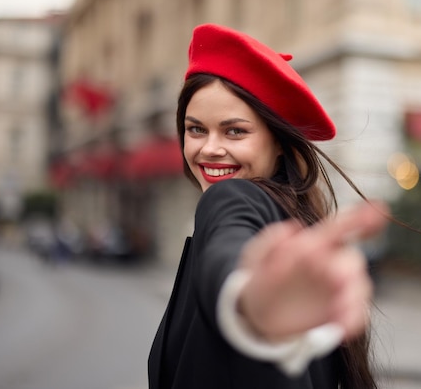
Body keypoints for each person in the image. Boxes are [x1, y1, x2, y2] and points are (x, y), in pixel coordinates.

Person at [148, 23, 389, 389]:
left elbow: (230, 248)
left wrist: (245, 301)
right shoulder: (296, 220)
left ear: (278, 142)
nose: (209, 147)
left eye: (235, 131)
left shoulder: (229, 197)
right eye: (196, 129)